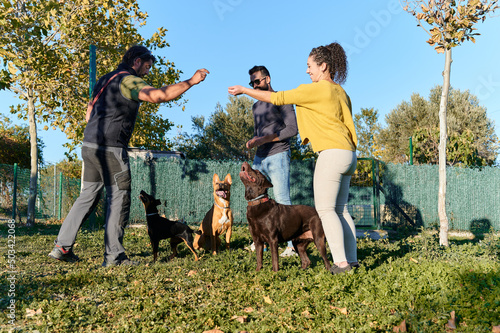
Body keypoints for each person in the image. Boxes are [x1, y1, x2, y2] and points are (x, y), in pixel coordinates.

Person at [48, 45, 209, 267]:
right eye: (147, 66)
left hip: (89, 145)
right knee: (118, 198)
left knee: (87, 196)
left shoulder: (105, 79)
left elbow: (89, 111)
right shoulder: (128, 80)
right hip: (111, 148)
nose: (148, 72)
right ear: (136, 62)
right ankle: (114, 257)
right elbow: (158, 95)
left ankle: (61, 247)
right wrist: (190, 81)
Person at [229, 42, 358, 275]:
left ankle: (341, 264)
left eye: (310, 66)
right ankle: (352, 259)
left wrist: (245, 90)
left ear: (323, 66)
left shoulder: (316, 89)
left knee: (326, 210)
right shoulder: (340, 90)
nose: (308, 71)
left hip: (330, 153)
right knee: (341, 210)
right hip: (348, 152)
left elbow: (278, 98)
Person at [246, 65, 298, 257]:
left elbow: (292, 129)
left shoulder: (282, 99)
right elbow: (258, 132)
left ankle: (291, 246)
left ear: (267, 79)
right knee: (257, 199)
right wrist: (254, 142)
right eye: (251, 83)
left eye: (257, 81)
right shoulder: (255, 106)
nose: (254, 85)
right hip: (259, 157)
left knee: (282, 200)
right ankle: (260, 241)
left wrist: (266, 139)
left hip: (279, 154)